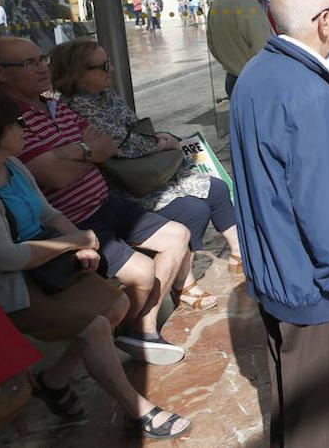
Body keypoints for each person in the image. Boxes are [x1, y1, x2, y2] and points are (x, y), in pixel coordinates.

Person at [0, 92, 192, 439]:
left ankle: (54, 379)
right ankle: (137, 410)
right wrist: (74, 242)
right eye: (17, 124)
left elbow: (48, 213)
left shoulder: (13, 166)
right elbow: (4, 257)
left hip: (46, 264)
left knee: (117, 304)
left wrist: (81, 240)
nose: (24, 130)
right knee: (94, 327)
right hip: (11, 286)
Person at [230, 0, 329, 448]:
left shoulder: (258, 73)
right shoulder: (306, 94)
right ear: (322, 21)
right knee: (321, 427)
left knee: (294, 410)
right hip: (317, 289)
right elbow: (327, 211)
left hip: (281, 275)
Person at [0, 37, 191, 365]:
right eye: (28, 63)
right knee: (141, 272)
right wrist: (85, 151)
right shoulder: (5, 118)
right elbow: (54, 177)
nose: (41, 67)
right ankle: (84, 359)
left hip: (105, 202)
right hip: (72, 219)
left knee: (178, 236)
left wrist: (71, 153)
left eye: (41, 59)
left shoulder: (53, 102)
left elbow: (106, 144)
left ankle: (142, 329)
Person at [50, 40, 243, 291]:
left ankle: (239, 253)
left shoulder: (105, 96)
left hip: (145, 171)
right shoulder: (77, 108)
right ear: (78, 74)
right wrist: (159, 143)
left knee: (216, 187)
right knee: (192, 210)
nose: (111, 70)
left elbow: (133, 132)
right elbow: (120, 145)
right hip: (127, 184)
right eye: (103, 66)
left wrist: (154, 140)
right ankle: (182, 283)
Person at [206, 0, 272, 97]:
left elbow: (212, 45)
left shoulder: (216, 5)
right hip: (255, 81)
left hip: (232, 79)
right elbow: (263, 49)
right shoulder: (250, 6)